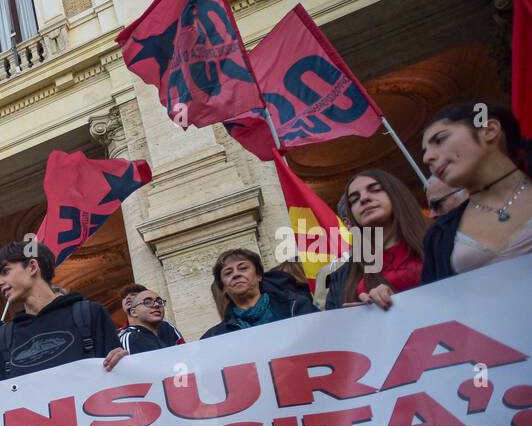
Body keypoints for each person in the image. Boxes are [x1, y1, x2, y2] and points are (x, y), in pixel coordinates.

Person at [0, 241, 126, 391]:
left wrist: (127, 365)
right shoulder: (3, 340)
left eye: (5, 271)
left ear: (32, 267)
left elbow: (118, 381)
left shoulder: (89, 314)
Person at [421, 99, 532, 285]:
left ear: (489, 130)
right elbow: (435, 306)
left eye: (439, 140)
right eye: (425, 151)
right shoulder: (438, 236)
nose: (427, 158)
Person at [325, 170, 426, 310]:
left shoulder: (440, 244)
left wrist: (397, 300)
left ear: (396, 195)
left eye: (375, 190)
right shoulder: (342, 277)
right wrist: (356, 318)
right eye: (354, 200)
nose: (364, 199)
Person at [201, 248, 319, 339]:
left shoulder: (296, 307)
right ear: (223, 288)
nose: (236, 274)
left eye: (243, 268)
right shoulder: (214, 338)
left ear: (259, 276)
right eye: (228, 273)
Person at [117, 284, 185, 354]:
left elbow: (184, 352)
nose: (156, 305)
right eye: (124, 297)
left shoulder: (167, 327)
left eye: (134, 295)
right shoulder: (124, 336)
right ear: (133, 311)